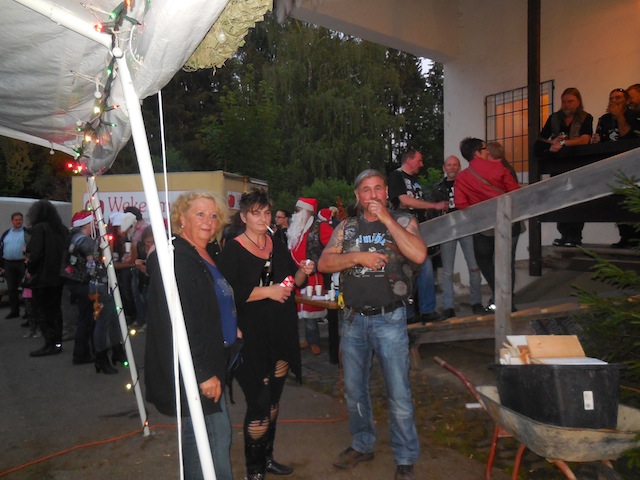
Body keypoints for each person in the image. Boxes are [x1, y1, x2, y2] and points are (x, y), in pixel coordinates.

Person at [318, 169, 425, 480]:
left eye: (378, 188)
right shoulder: (347, 227)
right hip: (353, 321)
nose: (373, 194)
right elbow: (324, 263)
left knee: (399, 393)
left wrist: (387, 219)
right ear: (357, 196)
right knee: (354, 391)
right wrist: (358, 258)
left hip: (390, 319)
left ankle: (405, 457)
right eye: (366, 189)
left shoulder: (403, 220)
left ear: (386, 192)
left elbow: (418, 255)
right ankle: (362, 444)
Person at [217, 188, 314, 480]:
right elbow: (226, 294)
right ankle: (254, 471)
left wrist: (303, 271)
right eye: (256, 213)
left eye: (267, 213)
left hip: (280, 331)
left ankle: (266, 457)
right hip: (250, 337)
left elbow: (290, 282)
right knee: (259, 403)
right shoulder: (232, 250)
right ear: (244, 217)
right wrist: (267, 291)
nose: (263, 218)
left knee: (272, 401)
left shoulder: (276, 244)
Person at [145, 191, 238, 480]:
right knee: (216, 438)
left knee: (198, 436)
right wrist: (202, 373)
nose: (208, 221)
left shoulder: (206, 252)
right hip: (197, 366)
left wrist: (231, 325)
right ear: (181, 218)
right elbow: (180, 321)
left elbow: (209, 301)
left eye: (213, 215)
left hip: (211, 358)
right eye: (200, 214)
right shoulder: (177, 258)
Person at [455, 138, 521, 312]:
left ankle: (501, 298)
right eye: (484, 148)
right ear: (477, 153)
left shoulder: (461, 178)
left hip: (483, 228)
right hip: (508, 224)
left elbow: (461, 204)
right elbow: (515, 193)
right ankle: (507, 302)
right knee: (507, 264)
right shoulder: (500, 168)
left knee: (484, 261)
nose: (487, 151)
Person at [388, 148, 447, 323]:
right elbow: (404, 200)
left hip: (416, 231)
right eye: (419, 160)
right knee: (418, 266)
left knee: (417, 269)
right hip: (403, 230)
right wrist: (433, 205)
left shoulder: (413, 180)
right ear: (409, 160)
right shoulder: (396, 176)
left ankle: (416, 312)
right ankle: (420, 311)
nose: (421, 164)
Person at [536, 87, 593, 247]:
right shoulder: (554, 118)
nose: (566, 104)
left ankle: (575, 236)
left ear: (578, 102)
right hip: (558, 166)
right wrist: (552, 143)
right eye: (564, 101)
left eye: (570, 101)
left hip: (577, 165)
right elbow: (541, 138)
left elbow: (585, 139)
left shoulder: (585, 117)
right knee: (559, 200)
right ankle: (564, 235)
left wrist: (563, 143)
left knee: (577, 200)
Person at [427, 155, 484, 318]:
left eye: (455, 165)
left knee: (474, 266)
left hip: (467, 227)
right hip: (447, 229)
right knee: (447, 271)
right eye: (449, 165)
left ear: (459, 167)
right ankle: (448, 307)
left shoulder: (467, 182)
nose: (452, 167)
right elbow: (432, 209)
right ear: (444, 168)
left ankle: (476, 302)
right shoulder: (437, 187)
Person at [592, 87, 640, 248]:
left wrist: (619, 116)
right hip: (611, 166)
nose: (613, 101)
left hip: (632, 166)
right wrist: (595, 142)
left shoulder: (634, 115)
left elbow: (628, 137)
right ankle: (624, 236)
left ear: (627, 100)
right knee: (617, 201)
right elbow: (599, 141)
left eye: (618, 98)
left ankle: (636, 239)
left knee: (632, 200)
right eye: (611, 98)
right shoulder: (604, 119)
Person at [288, 198, 333, 355]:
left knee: (310, 310)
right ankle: (306, 339)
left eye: (298, 210)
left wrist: (321, 262)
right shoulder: (297, 228)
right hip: (297, 274)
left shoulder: (320, 226)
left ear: (307, 212)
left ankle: (314, 341)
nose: (295, 214)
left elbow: (333, 245)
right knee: (301, 309)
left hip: (314, 275)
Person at [25, 200, 68, 357]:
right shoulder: (61, 229)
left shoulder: (39, 229)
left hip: (43, 277)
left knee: (43, 311)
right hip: (59, 276)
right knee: (55, 310)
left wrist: (30, 267)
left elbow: (35, 254)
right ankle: (57, 342)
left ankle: (50, 343)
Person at [61, 211, 99, 366]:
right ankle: (82, 353)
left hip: (73, 282)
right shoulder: (87, 242)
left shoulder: (73, 239)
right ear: (87, 224)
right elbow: (92, 265)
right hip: (84, 284)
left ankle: (81, 352)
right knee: (86, 319)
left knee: (83, 318)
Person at [0, 212, 28, 319]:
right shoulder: (6, 233)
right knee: (11, 289)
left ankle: (28, 312)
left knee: (25, 288)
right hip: (8, 264)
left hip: (22, 264)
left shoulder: (26, 233)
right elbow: (1, 248)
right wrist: (1, 265)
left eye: (20, 219)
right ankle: (14, 311)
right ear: (12, 221)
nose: (18, 222)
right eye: (16, 220)